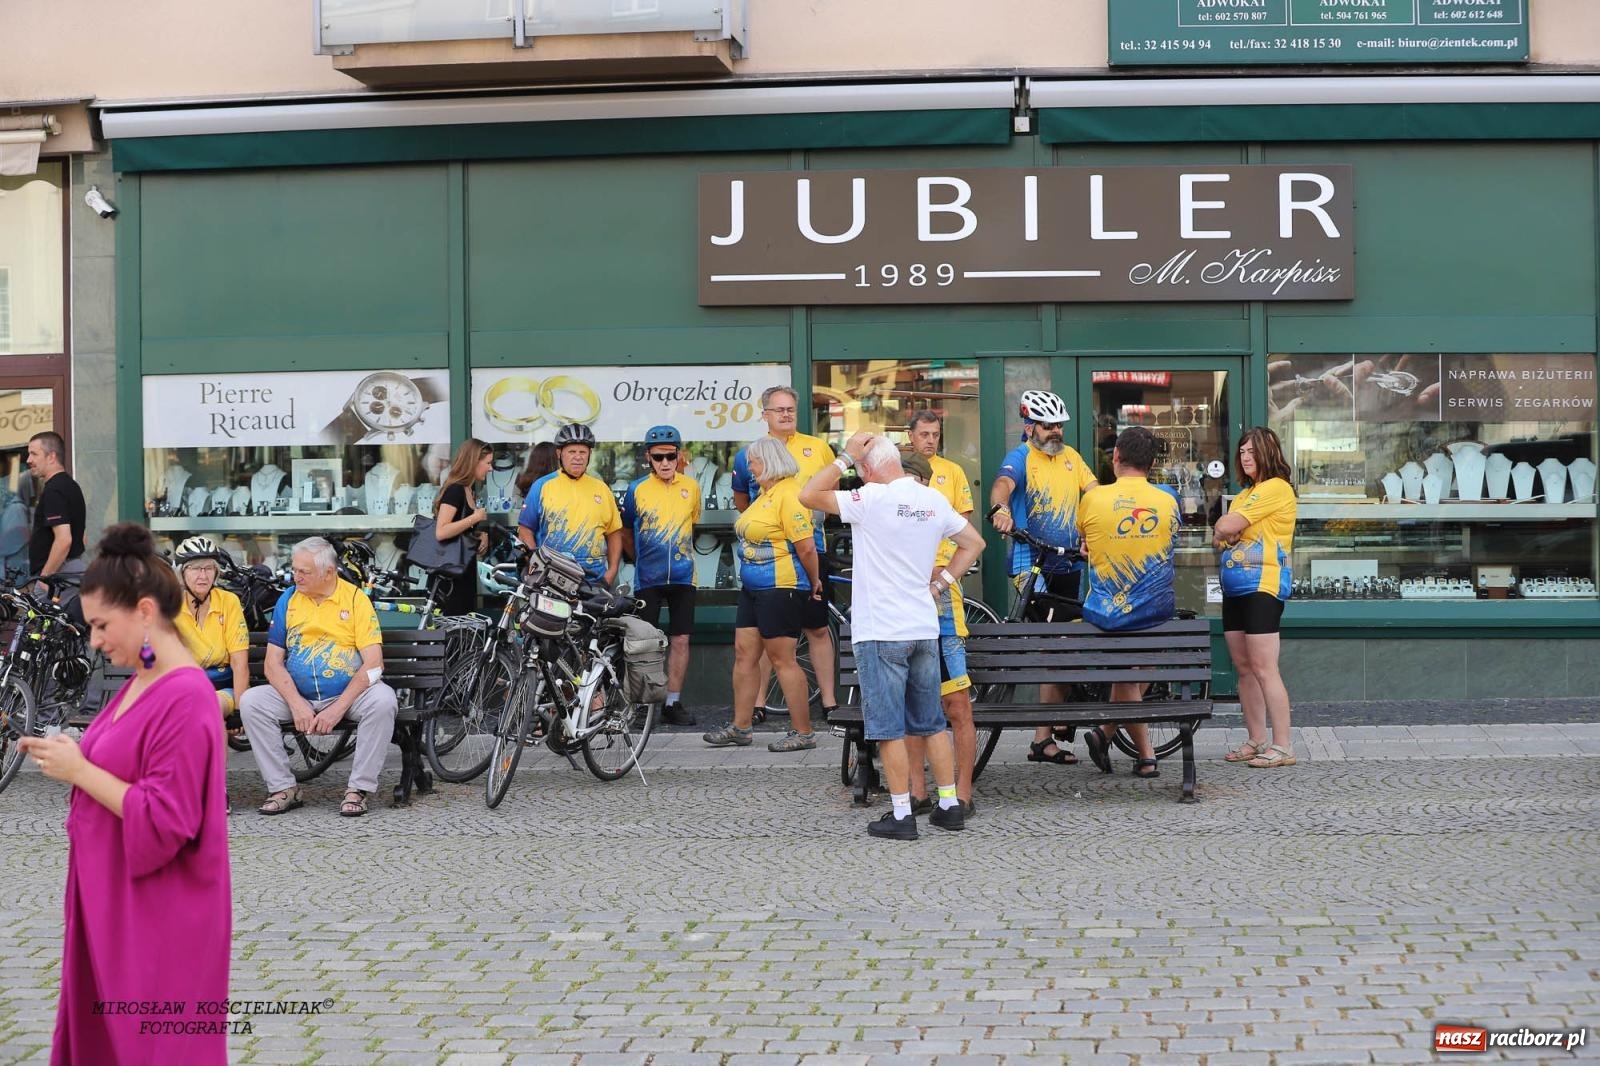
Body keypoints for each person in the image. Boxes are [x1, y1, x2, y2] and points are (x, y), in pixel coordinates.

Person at [19, 523, 230, 1065]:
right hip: (113, 904)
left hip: (157, 918)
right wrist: (75, 753)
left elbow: (166, 817)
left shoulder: (186, 696)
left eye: (100, 625)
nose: (94, 641)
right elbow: (124, 760)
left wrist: (78, 770)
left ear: (144, 611)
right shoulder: (144, 677)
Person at [800, 432, 986, 840]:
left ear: (868, 469)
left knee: (888, 728)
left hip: (882, 630)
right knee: (931, 723)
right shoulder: (932, 499)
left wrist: (844, 457)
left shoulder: (870, 499)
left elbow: (808, 494)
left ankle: (902, 814)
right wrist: (941, 584)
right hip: (923, 627)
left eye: (860, 469)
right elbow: (974, 543)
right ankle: (949, 806)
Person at [239, 536, 399, 817]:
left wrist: (337, 709)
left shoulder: (355, 600)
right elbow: (272, 665)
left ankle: (358, 789)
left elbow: (374, 664)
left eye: (304, 572)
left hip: (347, 696)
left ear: (329, 572)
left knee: (384, 700)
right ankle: (283, 788)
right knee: (252, 702)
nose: (296, 577)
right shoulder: (288, 600)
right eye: (294, 569)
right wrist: (296, 704)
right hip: (298, 695)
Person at [987, 390, 1098, 765]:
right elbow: (1002, 485)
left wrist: (1099, 525)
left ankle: (1045, 736)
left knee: (1064, 643)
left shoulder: (1072, 458)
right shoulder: (1020, 458)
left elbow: (1093, 493)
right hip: (1029, 562)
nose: (1056, 432)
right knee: (1055, 643)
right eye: (1048, 426)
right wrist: (1000, 508)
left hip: (1069, 563)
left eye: (1059, 425)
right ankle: (1051, 726)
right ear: (1029, 427)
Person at [1075, 426, 1182, 779]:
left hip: (1108, 613)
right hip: (1155, 611)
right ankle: (1140, 752)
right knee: (1135, 670)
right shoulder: (1168, 498)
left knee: (1128, 671)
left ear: (1116, 457)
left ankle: (1110, 734)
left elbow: (1085, 541)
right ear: (1152, 463)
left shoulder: (1093, 499)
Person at [705, 435, 822, 752]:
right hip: (753, 588)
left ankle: (804, 732)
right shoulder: (764, 495)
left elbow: (807, 547)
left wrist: (814, 581)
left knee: (782, 659)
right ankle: (741, 726)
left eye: (753, 462)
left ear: (768, 462)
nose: (749, 467)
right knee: (744, 654)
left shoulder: (791, 494)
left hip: (780, 587)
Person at [731, 385, 839, 719]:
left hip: (811, 547)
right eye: (779, 409)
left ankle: (829, 702)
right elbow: (742, 501)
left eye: (791, 408)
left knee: (817, 628)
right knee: (768, 636)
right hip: (769, 558)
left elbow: (832, 495)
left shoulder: (818, 447)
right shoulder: (749, 454)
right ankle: (759, 703)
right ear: (764, 414)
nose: (786, 414)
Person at [901, 411, 980, 818]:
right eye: (924, 434)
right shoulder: (892, 482)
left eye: (936, 434)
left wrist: (944, 573)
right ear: (910, 436)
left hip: (944, 594)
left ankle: (963, 793)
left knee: (957, 704)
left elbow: (965, 533)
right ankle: (917, 791)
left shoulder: (953, 473)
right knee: (913, 703)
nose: (930, 440)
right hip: (903, 599)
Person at [1213, 426, 1299, 769]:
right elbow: (1219, 536)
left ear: (1268, 452)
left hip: (1264, 586)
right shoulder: (1247, 493)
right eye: (1242, 451)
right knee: (1244, 667)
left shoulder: (1276, 487)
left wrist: (1229, 529)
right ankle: (1256, 739)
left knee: (1264, 667)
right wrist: (1227, 529)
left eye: (1252, 451)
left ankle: (1283, 745)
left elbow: (1226, 526)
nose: (1245, 457)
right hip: (1235, 587)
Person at [620, 425, 701, 726]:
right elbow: (625, 531)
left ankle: (672, 702)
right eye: (658, 457)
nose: (665, 463)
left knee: (680, 640)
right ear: (648, 458)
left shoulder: (691, 487)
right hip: (648, 578)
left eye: (670, 456)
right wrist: (639, 560)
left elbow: (693, 523)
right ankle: (644, 704)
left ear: (679, 456)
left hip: (683, 576)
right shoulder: (636, 489)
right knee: (645, 644)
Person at [517, 423, 622, 585]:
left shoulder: (601, 488)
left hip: (595, 580)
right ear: (559, 453)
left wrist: (612, 571)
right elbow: (525, 530)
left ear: (589, 454)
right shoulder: (542, 486)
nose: (578, 457)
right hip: (552, 580)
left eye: (582, 452)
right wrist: (537, 565)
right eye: (572, 452)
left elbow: (614, 532)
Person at [172, 535, 250, 731]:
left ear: (216, 572)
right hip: (184, 689)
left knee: (204, 708)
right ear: (181, 573)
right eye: (195, 568)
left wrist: (239, 711)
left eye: (209, 568)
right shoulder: (170, 606)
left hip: (222, 688)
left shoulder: (228, 602)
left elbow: (239, 662)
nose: (203, 575)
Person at [434, 438, 493, 617]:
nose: (490, 468)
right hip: (450, 577)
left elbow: (461, 529)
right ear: (474, 461)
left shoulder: (469, 490)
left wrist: (480, 534)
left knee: (465, 625)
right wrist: (475, 517)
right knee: (452, 625)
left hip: (463, 571)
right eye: (488, 463)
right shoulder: (456, 490)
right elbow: (441, 531)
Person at [25, 431, 87, 604]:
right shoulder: (71, 486)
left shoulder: (54, 490)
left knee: (43, 620)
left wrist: (45, 578)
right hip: (69, 572)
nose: (28, 460)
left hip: (57, 576)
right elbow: (83, 537)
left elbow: (64, 539)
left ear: (51, 456)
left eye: (34, 454)